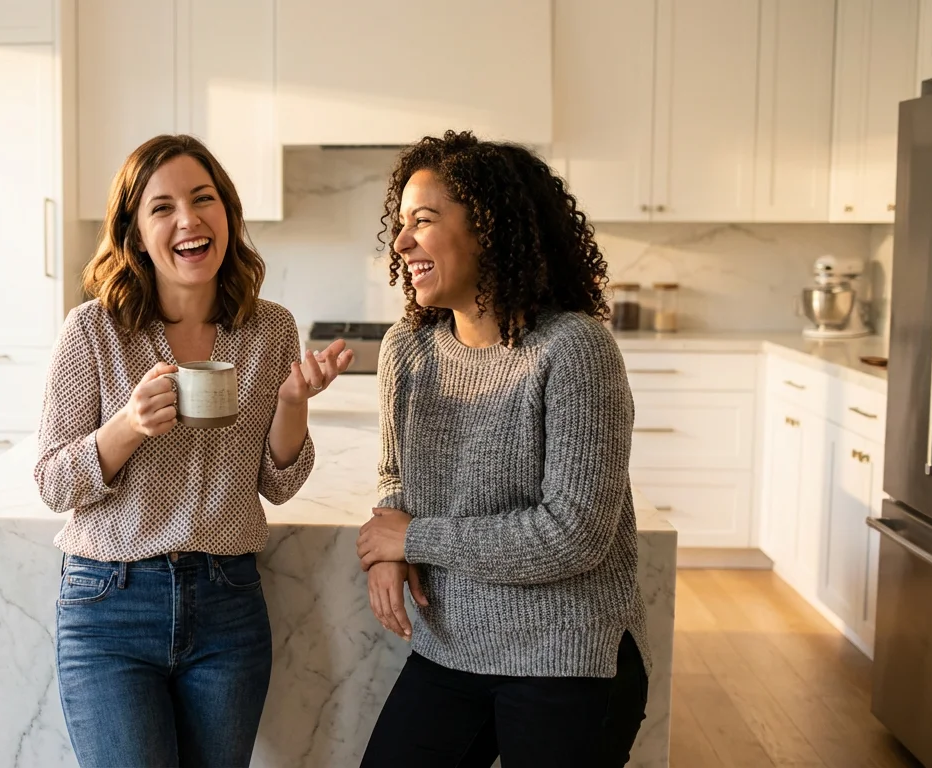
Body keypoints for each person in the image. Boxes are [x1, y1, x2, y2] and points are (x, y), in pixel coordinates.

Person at [34, 134, 352, 768]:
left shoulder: (269, 329)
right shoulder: (94, 331)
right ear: (134, 232)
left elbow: (277, 484)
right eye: (163, 206)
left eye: (203, 198)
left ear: (228, 214)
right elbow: (52, 483)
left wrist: (292, 402)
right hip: (108, 607)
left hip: (227, 604)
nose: (188, 218)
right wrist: (126, 426)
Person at [354, 131, 650, 768]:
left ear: (488, 229)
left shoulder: (573, 350)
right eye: (400, 224)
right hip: (450, 648)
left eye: (424, 221)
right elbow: (395, 475)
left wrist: (414, 540)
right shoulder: (406, 350)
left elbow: (572, 535)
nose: (401, 242)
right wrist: (386, 547)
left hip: (566, 655)